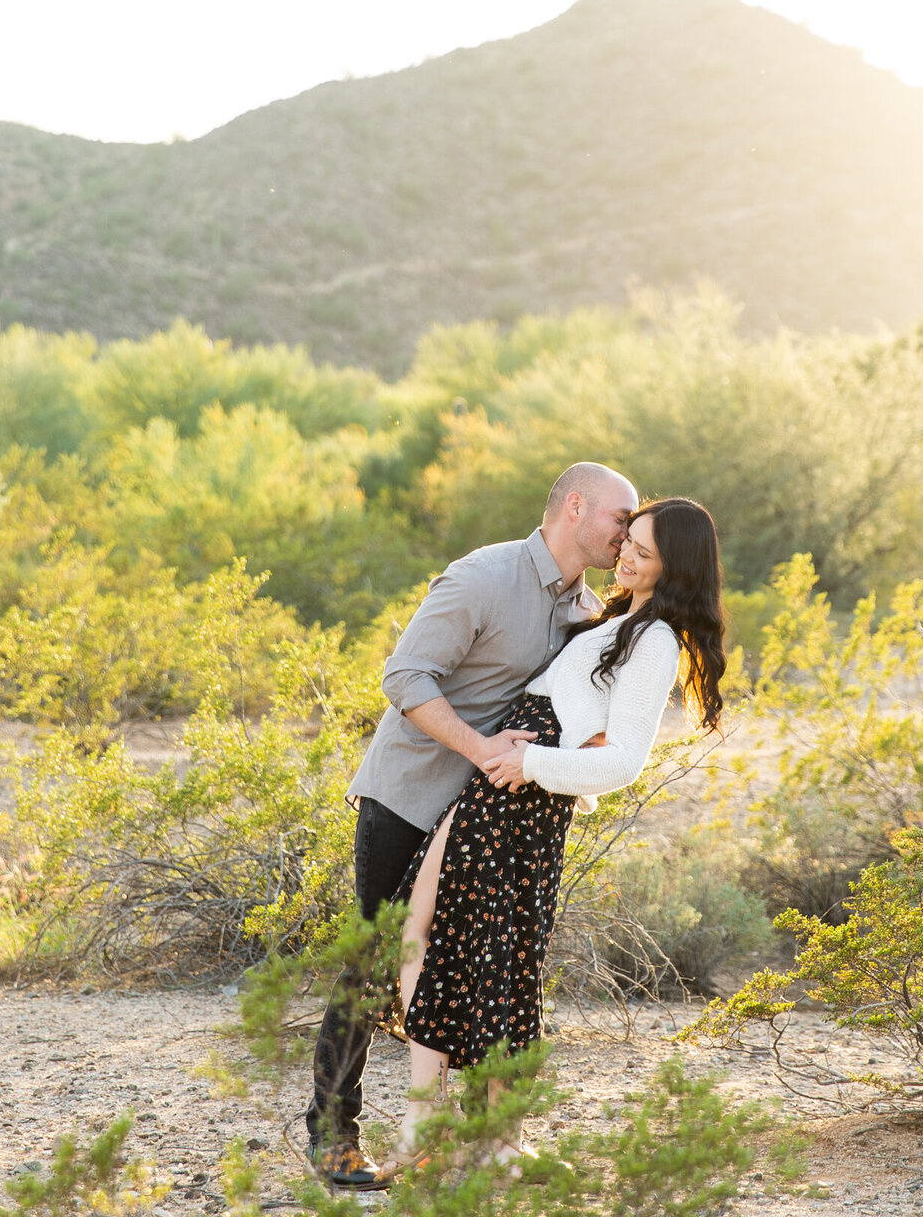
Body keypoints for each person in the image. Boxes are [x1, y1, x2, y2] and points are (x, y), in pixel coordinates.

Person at [301, 461, 639, 1192]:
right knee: (374, 963)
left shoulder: (587, 612)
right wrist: (481, 749)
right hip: (411, 796)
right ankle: (334, 1137)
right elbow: (405, 677)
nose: (626, 534)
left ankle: (486, 1144)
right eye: (620, 518)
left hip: (487, 827)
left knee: (490, 971)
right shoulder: (483, 577)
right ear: (574, 506)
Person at [393, 496, 728, 1166]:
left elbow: (625, 763)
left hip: (525, 793)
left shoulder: (656, 640)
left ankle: (470, 1135)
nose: (625, 554)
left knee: (481, 952)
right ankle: (458, 1130)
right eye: (627, 539)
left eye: (644, 551)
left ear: (675, 568)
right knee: (442, 937)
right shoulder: (620, 621)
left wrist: (529, 761)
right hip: (506, 785)